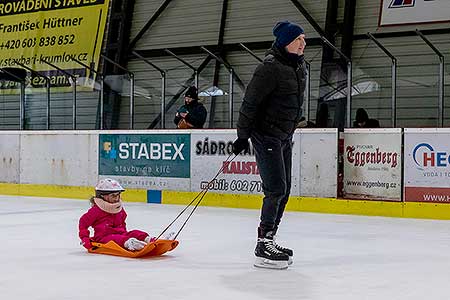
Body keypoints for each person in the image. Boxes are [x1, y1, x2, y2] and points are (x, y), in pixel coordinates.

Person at [232, 20, 307, 269]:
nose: (303, 43)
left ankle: (270, 238)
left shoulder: (299, 67)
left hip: (284, 135)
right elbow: (250, 103)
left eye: (304, 39)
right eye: (299, 39)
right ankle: (263, 243)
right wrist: (243, 136)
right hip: (266, 135)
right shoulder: (269, 68)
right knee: (275, 188)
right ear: (286, 42)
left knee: (284, 189)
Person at [79, 178, 155, 251]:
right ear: (103, 196)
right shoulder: (96, 210)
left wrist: (126, 234)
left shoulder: (118, 208)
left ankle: (149, 240)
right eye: (113, 196)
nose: (117, 198)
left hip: (121, 234)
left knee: (135, 233)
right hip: (103, 238)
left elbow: (122, 221)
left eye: (118, 195)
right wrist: (84, 238)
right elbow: (83, 223)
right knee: (115, 238)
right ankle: (130, 243)